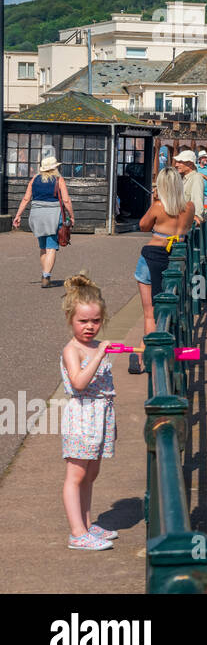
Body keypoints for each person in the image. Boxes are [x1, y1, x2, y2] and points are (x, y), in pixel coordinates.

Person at [60, 273, 118, 551]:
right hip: (81, 418)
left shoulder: (96, 347)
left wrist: (99, 352)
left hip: (100, 417)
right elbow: (78, 382)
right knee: (76, 476)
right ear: (71, 319)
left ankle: (86, 522)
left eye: (95, 321)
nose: (90, 327)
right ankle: (76, 533)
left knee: (91, 474)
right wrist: (98, 356)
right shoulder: (73, 349)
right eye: (83, 321)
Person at [135, 167, 195, 336]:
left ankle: (149, 357)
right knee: (172, 308)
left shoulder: (158, 206)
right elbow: (188, 227)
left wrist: (154, 202)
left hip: (152, 257)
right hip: (176, 258)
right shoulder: (190, 207)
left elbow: (143, 226)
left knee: (150, 315)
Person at [11, 154, 75, 287]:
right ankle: (46, 277)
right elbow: (66, 200)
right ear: (54, 168)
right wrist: (72, 216)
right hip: (53, 214)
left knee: (43, 247)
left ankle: (45, 273)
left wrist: (18, 215)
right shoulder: (59, 179)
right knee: (51, 247)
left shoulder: (34, 179)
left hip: (36, 214)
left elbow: (26, 199)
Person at [174, 150, 207, 224]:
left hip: (186, 224)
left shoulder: (196, 178)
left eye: (180, 162)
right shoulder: (183, 178)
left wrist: (197, 216)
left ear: (190, 164)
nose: (176, 164)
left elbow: (197, 199)